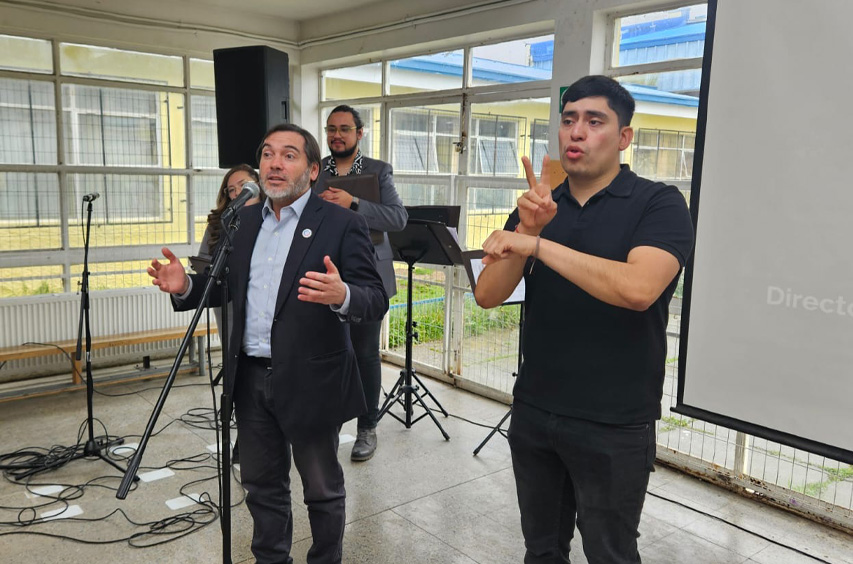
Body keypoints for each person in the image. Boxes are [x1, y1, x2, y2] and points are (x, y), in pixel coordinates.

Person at [473, 75, 694, 564]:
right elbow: (487, 295)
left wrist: (538, 243)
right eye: (569, 120)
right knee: (542, 549)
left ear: (623, 138)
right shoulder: (540, 205)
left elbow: (637, 290)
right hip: (535, 408)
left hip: (614, 422)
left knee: (610, 553)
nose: (576, 132)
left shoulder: (658, 203)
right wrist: (528, 226)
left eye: (595, 122)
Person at [148, 123, 388, 564]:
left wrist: (344, 295)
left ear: (313, 171)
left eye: (289, 155)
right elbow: (225, 287)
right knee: (261, 486)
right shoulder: (244, 222)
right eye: (268, 154)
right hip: (252, 379)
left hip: (313, 379)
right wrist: (187, 286)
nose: (275, 164)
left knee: (321, 488)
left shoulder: (342, 223)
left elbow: (376, 299)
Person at [313, 105, 408, 462]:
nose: (337, 135)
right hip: (325, 271)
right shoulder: (316, 169)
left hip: (368, 275)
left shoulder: (378, 171)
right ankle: (332, 422)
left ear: (359, 133)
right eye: (331, 129)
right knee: (332, 351)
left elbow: (398, 218)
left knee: (366, 353)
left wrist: (353, 202)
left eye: (345, 129)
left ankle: (367, 427)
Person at [196, 164, 262, 464]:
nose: (236, 192)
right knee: (236, 371)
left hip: (262, 309)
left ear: (258, 187)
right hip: (229, 308)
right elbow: (204, 263)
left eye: (243, 186)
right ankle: (243, 437)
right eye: (230, 189)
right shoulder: (218, 223)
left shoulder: (269, 219)